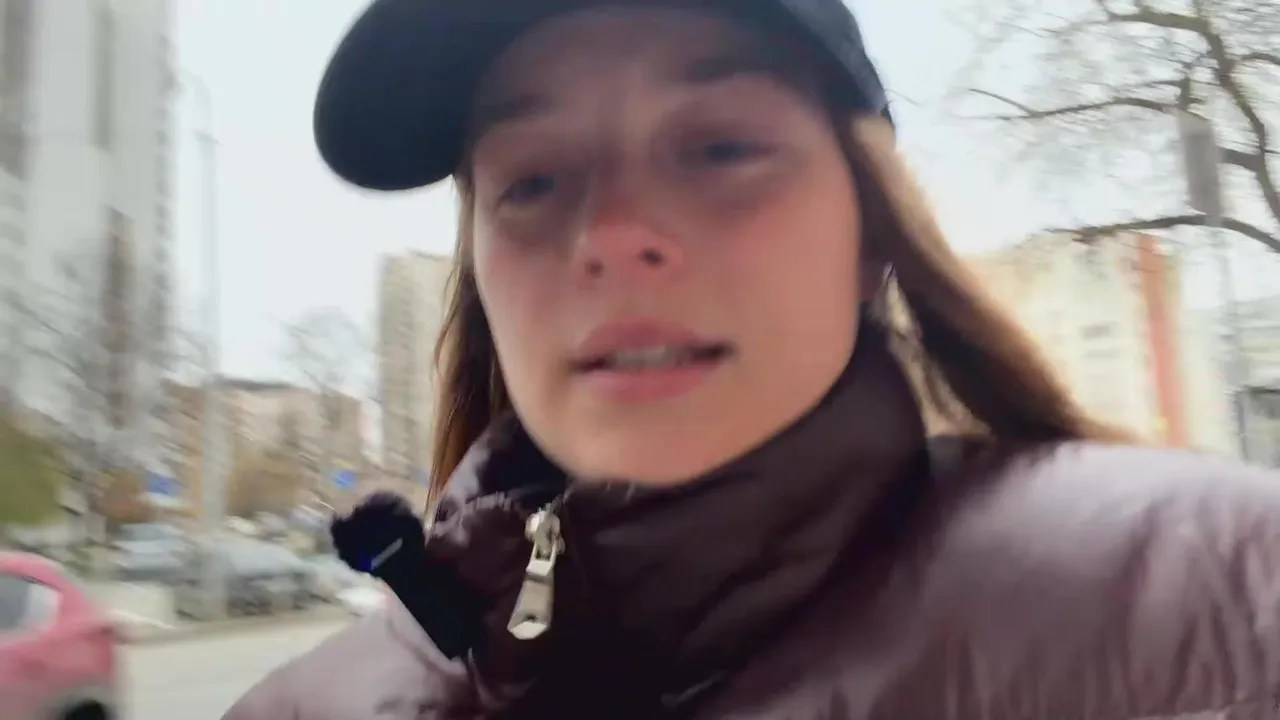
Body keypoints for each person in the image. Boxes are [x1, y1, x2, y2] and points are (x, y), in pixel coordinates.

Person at [225, 0, 1280, 717]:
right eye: (532, 181)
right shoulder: (302, 706)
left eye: (722, 147)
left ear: (871, 228)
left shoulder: (1226, 602)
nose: (612, 235)